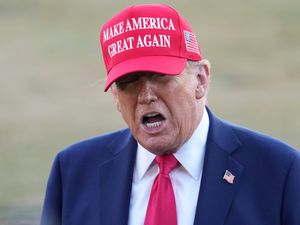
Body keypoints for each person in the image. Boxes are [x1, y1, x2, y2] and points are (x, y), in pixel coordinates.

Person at [41, 4, 300, 225]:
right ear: (115, 98)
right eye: (128, 82)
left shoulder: (280, 172)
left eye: (160, 76)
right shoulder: (73, 171)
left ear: (200, 79)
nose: (145, 95)